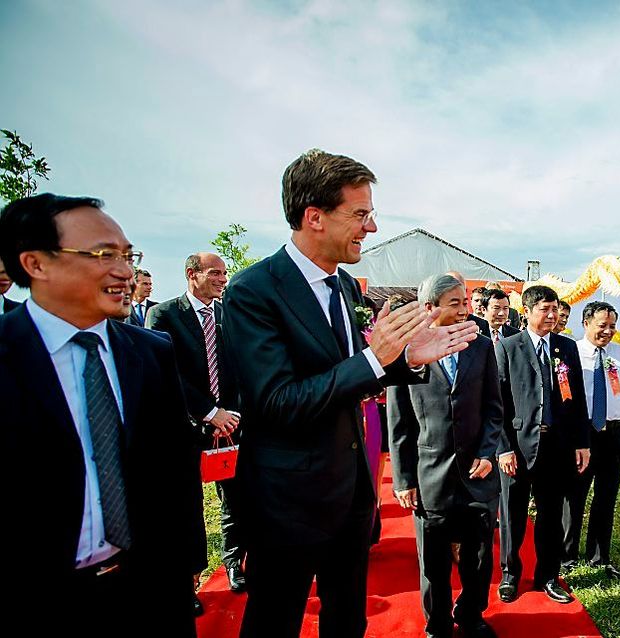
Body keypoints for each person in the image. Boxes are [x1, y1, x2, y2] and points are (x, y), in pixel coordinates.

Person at [221, 149, 478, 638]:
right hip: (287, 499)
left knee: (347, 622)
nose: (372, 228)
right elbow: (277, 402)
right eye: (360, 214)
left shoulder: (345, 286)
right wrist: (375, 359)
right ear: (314, 217)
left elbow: (356, 376)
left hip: (352, 490)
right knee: (274, 622)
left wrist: (406, 362)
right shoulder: (253, 290)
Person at [0, 193, 206, 637]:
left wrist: (188, 560)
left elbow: (176, 464)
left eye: (128, 255)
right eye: (103, 255)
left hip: (151, 588)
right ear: (35, 264)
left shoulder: (150, 352)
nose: (125, 271)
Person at [388, 274, 503, 638]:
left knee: (479, 558)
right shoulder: (407, 352)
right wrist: (404, 479)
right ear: (429, 308)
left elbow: (493, 409)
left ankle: (471, 615)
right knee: (434, 562)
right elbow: (399, 423)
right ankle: (437, 623)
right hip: (429, 475)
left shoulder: (481, 347)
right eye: (454, 304)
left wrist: (487, 453)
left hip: (477, 475)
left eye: (465, 303)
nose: (463, 310)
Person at [146, 252, 247, 600]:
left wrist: (230, 415)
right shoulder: (163, 315)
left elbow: (238, 368)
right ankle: (189, 578)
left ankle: (234, 561)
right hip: (185, 426)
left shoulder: (228, 315)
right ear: (192, 275)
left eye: (224, 273)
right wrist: (208, 411)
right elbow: (165, 371)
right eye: (214, 273)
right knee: (187, 507)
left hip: (230, 425)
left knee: (236, 499)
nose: (222, 279)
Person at [494, 285, 590, 604]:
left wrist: (581, 442)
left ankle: (548, 576)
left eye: (555, 309)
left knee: (550, 514)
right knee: (513, 513)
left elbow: (576, 400)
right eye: (544, 310)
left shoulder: (566, 347)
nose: (552, 316)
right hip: (518, 447)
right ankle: (510, 574)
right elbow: (498, 404)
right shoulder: (508, 347)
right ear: (527, 311)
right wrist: (503, 447)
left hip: (557, 445)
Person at [562, 301, 620, 579]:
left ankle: (599, 556)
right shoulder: (571, 352)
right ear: (586, 324)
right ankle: (566, 555)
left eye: (612, 326)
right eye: (602, 326)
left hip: (614, 433)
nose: (607, 331)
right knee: (574, 495)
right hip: (582, 435)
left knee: (606, 496)